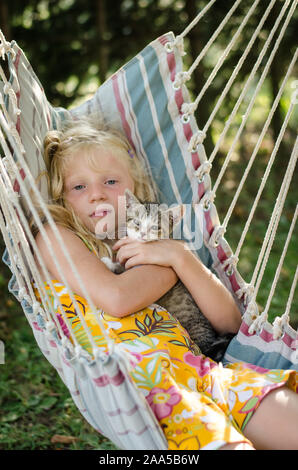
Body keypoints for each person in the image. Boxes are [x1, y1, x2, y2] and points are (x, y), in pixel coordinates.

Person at [33, 117, 298, 450]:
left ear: (137, 192)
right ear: (61, 196)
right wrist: (170, 262)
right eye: (79, 187)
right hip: (148, 385)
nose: (96, 194)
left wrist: (180, 255)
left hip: (204, 370)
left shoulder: (156, 239)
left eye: (111, 181)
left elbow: (231, 323)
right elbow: (117, 298)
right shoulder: (57, 237)